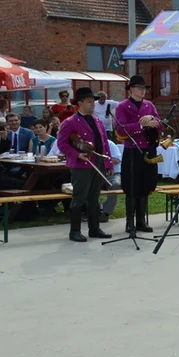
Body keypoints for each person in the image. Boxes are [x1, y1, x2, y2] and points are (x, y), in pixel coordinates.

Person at [56, 88, 113, 242]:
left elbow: (104, 144)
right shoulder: (70, 122)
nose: (92, 104)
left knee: (95, 198)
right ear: (80, 103)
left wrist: (108, 163)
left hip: (97, 162)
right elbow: (62, 144)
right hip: (81, 165)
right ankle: (74, 231)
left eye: (92, 101)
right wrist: (77, 154)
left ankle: (94, 228)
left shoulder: (98, 121)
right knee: (79, 198)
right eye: (88, 101)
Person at [113, 74, 161, 233]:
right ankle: (130, 222)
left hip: (148, 148)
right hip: (133, 151)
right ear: (132, 89)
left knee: (146, 185)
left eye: (144, 88)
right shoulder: (122, 106)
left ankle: (141, 220)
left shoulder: (149, 105)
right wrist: (141, 125)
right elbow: (120, 129)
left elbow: (160, 124)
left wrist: (154, 121)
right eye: (140, 88)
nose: (143, 91)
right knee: (132, 186)